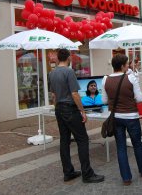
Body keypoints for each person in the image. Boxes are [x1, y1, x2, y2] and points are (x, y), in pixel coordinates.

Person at [48, 49, 104, 184]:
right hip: (70, 109)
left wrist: (57, 108)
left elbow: (53, 95)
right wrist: (82, 111)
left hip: (59, 109)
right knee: (82, 139)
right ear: (68, 57)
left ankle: (68, 172)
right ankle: (87, 173)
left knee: (64, 140)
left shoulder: (52, 73)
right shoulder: (69, 71)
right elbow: (74, 94)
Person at [101, 54, 142, 186]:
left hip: (115, 117)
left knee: (121, 147)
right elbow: (139, 99)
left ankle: (126, 178)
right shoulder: (131, 78)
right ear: (122, 66)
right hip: (131, 116)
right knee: (137, 144)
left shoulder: (105, 79)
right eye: (127, 64)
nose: (128, 66)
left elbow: (104, 100)